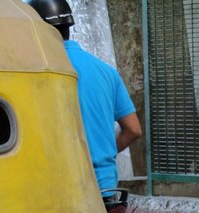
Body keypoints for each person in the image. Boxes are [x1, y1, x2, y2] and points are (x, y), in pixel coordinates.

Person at [23, 0, 142, 192]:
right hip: (106, 188)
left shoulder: (39, 73)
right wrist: (103, 153)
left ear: (38, 30)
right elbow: (133, 130)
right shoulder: (107, 71)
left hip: (63, 189)